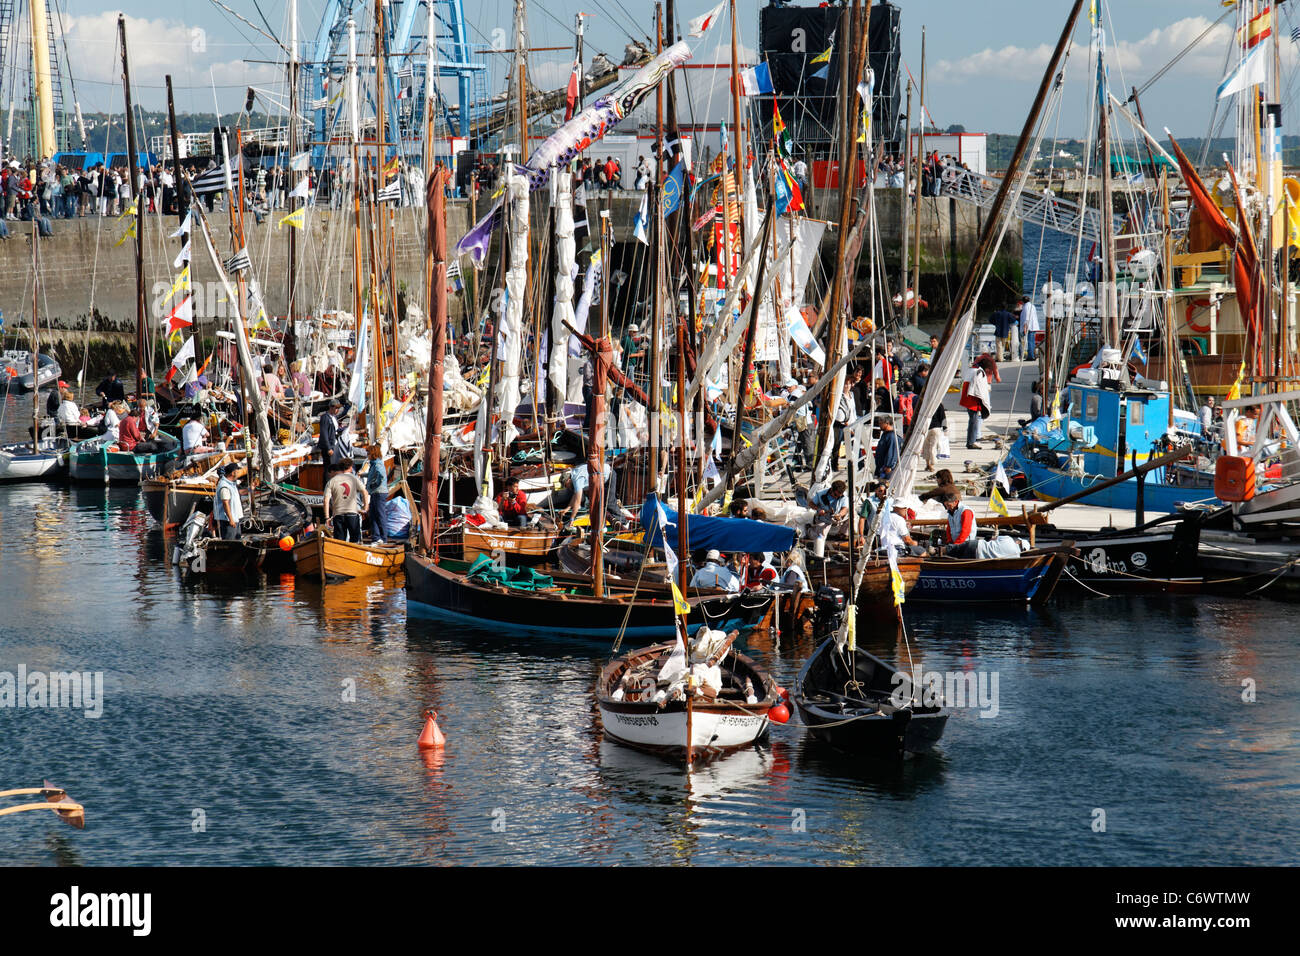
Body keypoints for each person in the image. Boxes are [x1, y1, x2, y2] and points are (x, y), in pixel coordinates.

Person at [323, 459, 368, 543]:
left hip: (338, 515)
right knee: (355, 541)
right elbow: (365, 493)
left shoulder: (331, 481)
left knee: (340, 542)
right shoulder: (354, 479)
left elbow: (326, 500)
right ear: (351, 468)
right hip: (352, 513)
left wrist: (327, 517)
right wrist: (365, 509)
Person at [960, 354, 998, 448]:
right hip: (974, 400)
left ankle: (970, 441)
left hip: (968, 398)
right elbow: (979, 390)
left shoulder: (971, 370)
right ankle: (971, 442)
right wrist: (983, 402)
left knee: (972, 421)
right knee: (974, 421)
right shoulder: (979, 372)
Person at [809, 479, 849, 557]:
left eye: (839, 496)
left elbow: (845, 508)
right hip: (824, 519)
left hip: (836, 518)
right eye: (835, 495)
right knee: (820, 536)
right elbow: (811, 503)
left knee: (852, 516)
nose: (837, 497)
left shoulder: (844, 495)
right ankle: (819, 555)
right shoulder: (820, 494)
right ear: (831, 490)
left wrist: (840, 515)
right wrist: (818, 509)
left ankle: (842, 534)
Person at [938, 489, 978, 558]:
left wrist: (955, 545)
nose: (947, 508)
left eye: (948, 505)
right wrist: (950, 542)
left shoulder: (966, 511)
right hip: (956, 544)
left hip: (966, 545)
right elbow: (949, 528)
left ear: (955, 502)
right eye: (945, 505)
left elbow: (965, 531)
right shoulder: (950, 511)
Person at [363, 445, 390, 541]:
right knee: (373, 515)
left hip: (379, 493)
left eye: (368, 453)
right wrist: (363, 474)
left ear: (373, 454)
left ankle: (383, 537)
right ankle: (376, 537)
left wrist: (374, 485)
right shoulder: (374, 464)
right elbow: (372, 474)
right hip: (375, 493)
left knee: (380, 515)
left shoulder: (378, 463)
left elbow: (381, 475)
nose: (367, 455)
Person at [212, 463, 243, 540]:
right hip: (228, 521)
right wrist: (231, 519)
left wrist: (250, 489)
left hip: (235, 518)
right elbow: (225, 503)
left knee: (237, 541)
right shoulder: (224, 486)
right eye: (237, 471)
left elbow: (237, 493)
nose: (239, 473)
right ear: (233, 473)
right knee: (230, 542)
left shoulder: (232, 484)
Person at [318, 398, 346, 465]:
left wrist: (345, 428)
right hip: (328, 446)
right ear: (331, 407)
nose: (337, 410)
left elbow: (335, 429)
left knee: (333, 465)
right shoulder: (325, 417)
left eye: (338, 408)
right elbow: (324, 433)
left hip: (334, 444)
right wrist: (328, 448)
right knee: (328, 467)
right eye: (336, 408)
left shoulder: (334, 417)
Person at [874, 416, 900, 480]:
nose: (879, 425)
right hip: (881, 467)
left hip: (886, 469)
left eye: (881, 423)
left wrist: (889, 466)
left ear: (887, 423)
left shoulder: (892, 436)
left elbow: (892, 452)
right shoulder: (885, 435)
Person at [1018, 295, 1040, 360]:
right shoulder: (1032, 306)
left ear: (1023, 301)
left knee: (1030, 342)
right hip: (1033, 326)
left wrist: (1025, 327)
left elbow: (1026, 318)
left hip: (1029, 327)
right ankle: (1033, 355)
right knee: (1032, 341)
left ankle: (1031, 356)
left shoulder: (1026, 307)